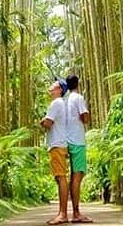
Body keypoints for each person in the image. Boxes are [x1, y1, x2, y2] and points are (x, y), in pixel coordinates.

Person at [41, 80, 69, 225]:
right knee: (59, 177)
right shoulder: (61, 103)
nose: (51, 87)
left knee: (61, 177)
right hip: (60, 143)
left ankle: (63, 214)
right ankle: (61, 212)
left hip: (57, 144)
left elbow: (47, 123)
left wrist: (42, 121)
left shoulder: (56, 103)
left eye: (54, 85)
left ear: (59, 90)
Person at [65, 74, 93, 224]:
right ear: (78, 84)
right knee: (77, 176)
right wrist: (87, 113)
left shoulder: (66, 99)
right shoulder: (78, 98)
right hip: (77, 140)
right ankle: (76, 213)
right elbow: (85, 118)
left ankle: (74, 211)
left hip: (68, 140)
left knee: (73, 176)